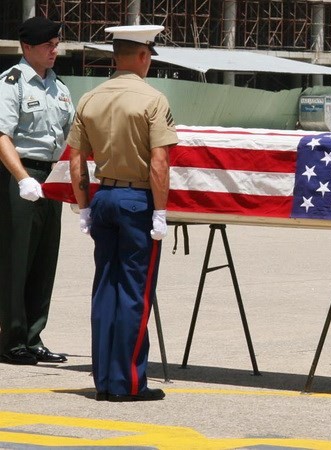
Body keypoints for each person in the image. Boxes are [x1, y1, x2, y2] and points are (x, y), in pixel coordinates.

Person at [67, 24, 178, 402]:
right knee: (135, 293)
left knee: (105, 290)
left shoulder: (90, 98)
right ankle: (129, 383)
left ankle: (105, 380)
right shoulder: (153, 100)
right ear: (144, 56)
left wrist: (84, 208)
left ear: (116, 58)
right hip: (137, 203)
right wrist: (161, 212)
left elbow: (77, 161)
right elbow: (159, 162)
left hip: (104, 198)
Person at [0, 16, 74, 365]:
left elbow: (71, 136)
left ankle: (33, 336)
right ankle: (10, 339)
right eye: (47, 44)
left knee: (44, 259)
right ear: (27, 47)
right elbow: (2, 136)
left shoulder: (59, 88)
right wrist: (22, 178)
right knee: (17, 258)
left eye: (56, 43)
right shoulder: (11, 83)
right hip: (21, 174)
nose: (54, 49)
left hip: (52, 177)